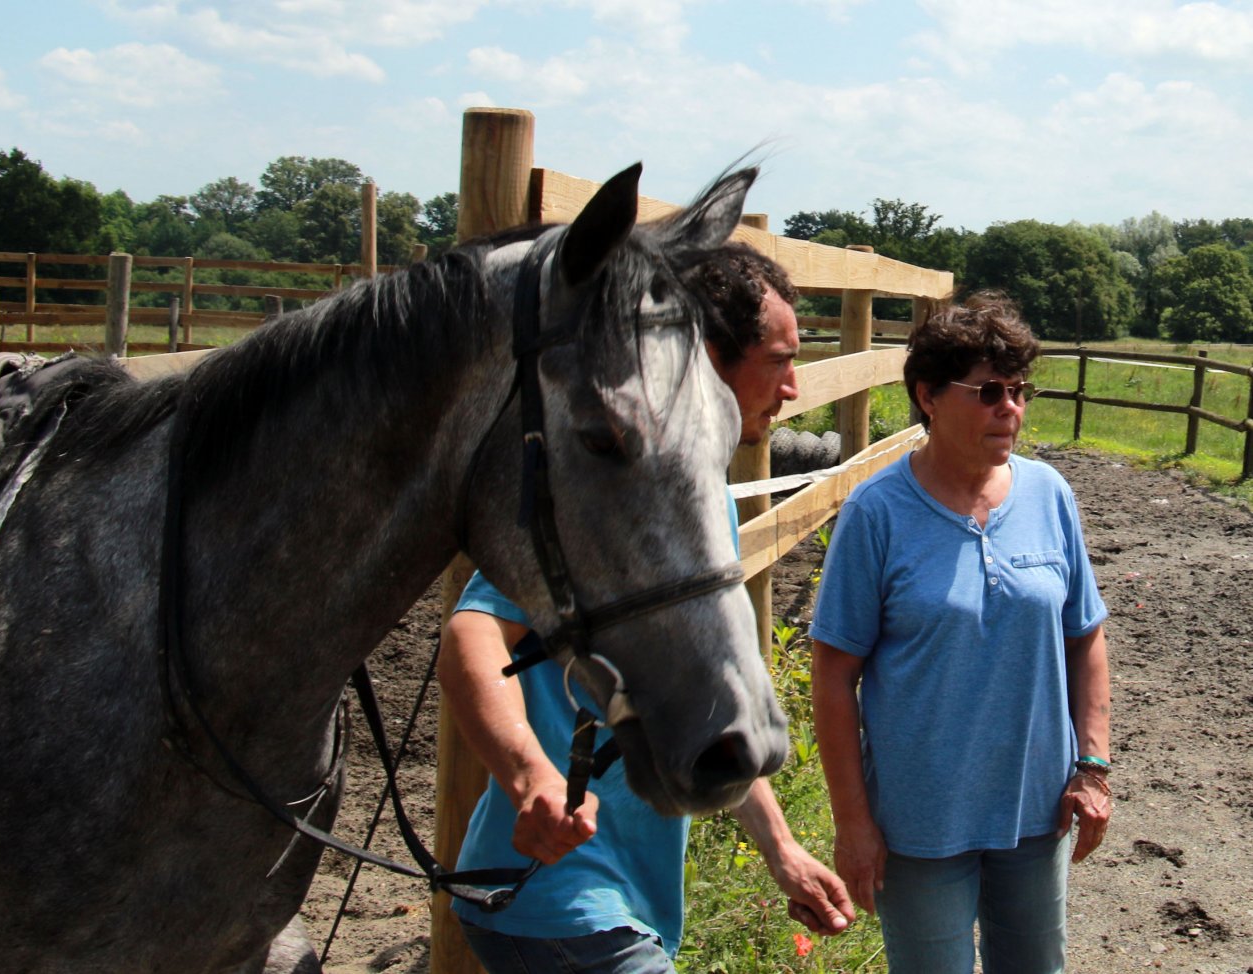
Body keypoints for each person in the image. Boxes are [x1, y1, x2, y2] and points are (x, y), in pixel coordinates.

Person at [438, 245, 855, 974]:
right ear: (711, 358)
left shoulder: (700, 502)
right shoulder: (607, 499)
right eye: (780, 360)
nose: (794, 387)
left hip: (621, 898)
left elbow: (710, 709)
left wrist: (783, 851)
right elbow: (469, 634)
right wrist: (529, 776)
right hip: (556, 897)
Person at [808, 293, 1112, 973]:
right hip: (919, 824)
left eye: (1020, 390)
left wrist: (1092, 767)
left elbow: (1085, 636)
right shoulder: (877, 514)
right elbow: (833, 675)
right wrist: (853, 822)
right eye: (989, 392)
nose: (1011, 408)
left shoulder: (1049, 495)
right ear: (929, 397)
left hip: (1036, 811)